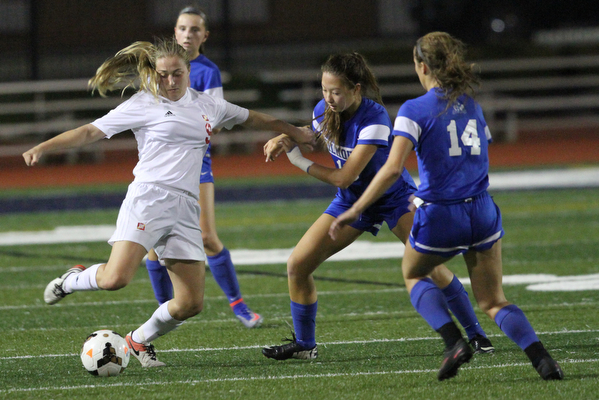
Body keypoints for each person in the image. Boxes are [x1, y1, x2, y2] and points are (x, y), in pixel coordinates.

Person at [24, 38, 313, 368]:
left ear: (189, 71)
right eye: (163, 75)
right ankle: (70, 281)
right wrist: (44, 147)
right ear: (153, 73)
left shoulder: (208, 105)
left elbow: (258, 119)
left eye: (177, 74)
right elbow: (90, 132)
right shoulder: (143, 103)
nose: (170, 81)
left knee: (190, 303)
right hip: (149, 198)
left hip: (187, 207)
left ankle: (138, 339)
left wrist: (296, 132)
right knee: (115, 279)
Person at [329, 33, 564, 381]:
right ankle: (543, 359)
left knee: (414, 274)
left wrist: (355, 208)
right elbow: (475, 157)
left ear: (422, 66)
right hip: (483, 210)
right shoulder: (471, 104)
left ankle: (454, 341)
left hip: (443, 213)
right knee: (494, 300)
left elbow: (393, 168)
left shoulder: (413, 109)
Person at [261, 52, 494, 362]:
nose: (328, 97)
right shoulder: (325, 109)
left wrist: (299, 160)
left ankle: (476, 334)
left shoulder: (376, 119)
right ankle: (305, 344)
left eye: (336, 91)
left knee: (431, 268)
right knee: (297, 265)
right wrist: (286, 135)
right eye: (324, 89)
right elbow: (316, 132)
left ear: (357, 89)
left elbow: (345, 177)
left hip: (392, 198)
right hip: (351, 203)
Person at [144, 5, 263, 329]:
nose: (187, 34)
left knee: (208, 236)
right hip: (161, 167)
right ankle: (166, 308)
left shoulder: (207, 71)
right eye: (182, 28)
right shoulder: (159, 67)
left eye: (195, 29)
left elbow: (217, 120)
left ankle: (238, 305)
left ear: (204, 36)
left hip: (198, 164)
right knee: (154, 246)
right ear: (175, 32)